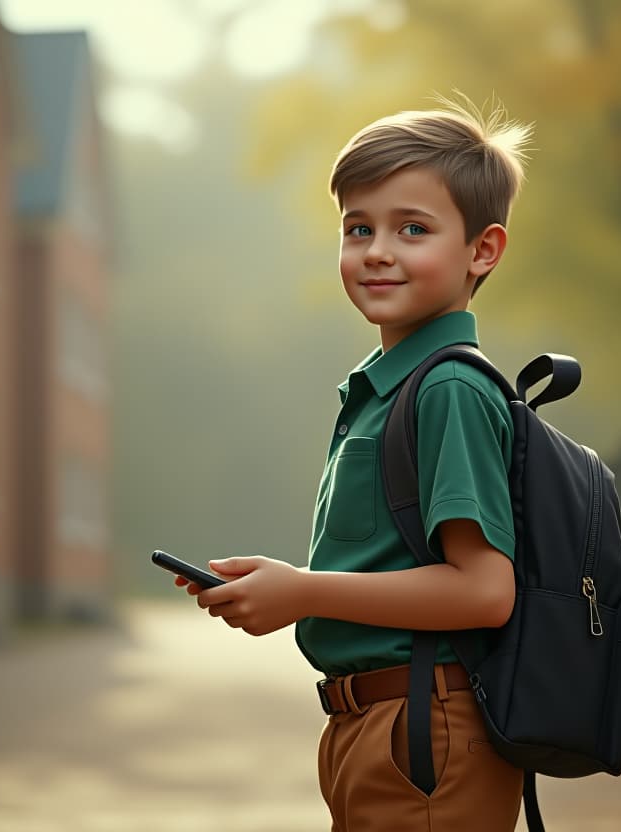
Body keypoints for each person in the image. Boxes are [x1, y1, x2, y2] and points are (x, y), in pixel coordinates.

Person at [176, 97, 531, 831]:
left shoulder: (449, 388)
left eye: (413, 229)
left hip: (424, 730)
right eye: (358, 228)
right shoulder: (391, 388)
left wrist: (304, 593)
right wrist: (286, 590)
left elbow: (484, 590)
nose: (377, 249)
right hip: (372, 726)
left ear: (482, 250)